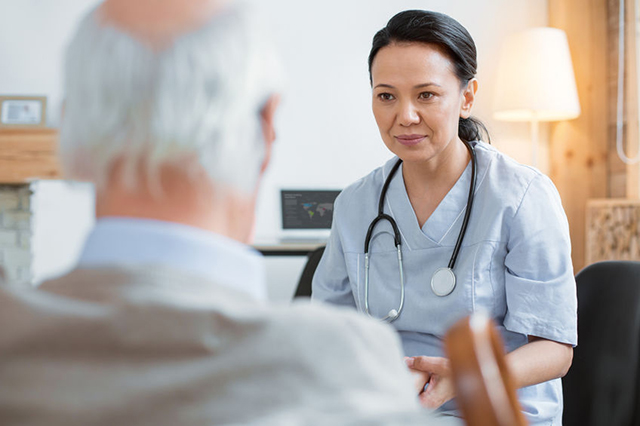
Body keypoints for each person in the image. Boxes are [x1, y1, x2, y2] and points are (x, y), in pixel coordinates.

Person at [0, 1, 442, 425]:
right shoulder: (349, 371)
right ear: (267, 129)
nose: (405, 116)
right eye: (386, 95)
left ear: (70, 128)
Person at [312, 10, 577, 426]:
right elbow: (328, 333)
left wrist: (466, 379)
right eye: (386, 96)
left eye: (426, 95)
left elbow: (556, 350)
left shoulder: (522, 196)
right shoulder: (356, 204)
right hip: (388, 407)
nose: (405, 116)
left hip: (494, 407)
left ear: (467, 97)